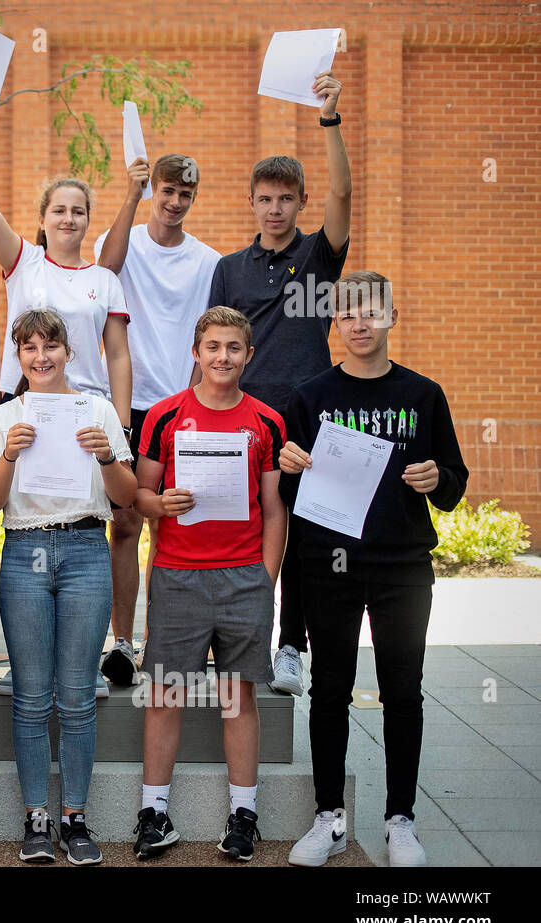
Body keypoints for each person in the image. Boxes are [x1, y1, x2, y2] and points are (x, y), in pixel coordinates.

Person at [279, 272, 468, 867]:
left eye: (371, 312)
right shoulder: (311, 396)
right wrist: (288, 463)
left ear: (391, 318)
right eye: (347, 313)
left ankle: (400, 819)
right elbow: (288, 492)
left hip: (402, 564)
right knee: (330, 691)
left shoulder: (423, 396)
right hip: (330, 563)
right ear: (334, 322)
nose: (359, 323)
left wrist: (438, 478)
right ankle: (328, 817)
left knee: (402, 692)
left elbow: (454, 488)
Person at [0, 104, 129, 697]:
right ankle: (22, 667)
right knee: (20, 516)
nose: (70, 218)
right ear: (45, 218)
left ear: (88, 220)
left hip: (86, 410)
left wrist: (119, 428)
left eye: (80, 210)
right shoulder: (24, 261)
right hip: (29, 405)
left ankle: (88, 660)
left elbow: (118, 355)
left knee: (87, 526)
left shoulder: (105, 279)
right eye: (59, 209)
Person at [207, 70, 351, 697]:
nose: (274, 208)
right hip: (241, 416)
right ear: (252, 202)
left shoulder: (319, 256)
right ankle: (232, 640)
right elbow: (210, 342)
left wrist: (329, 120)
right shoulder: (228, 267)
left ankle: (291, 645)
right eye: (264, 198)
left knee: (297, 530)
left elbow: (344, 199)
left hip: (308, 416)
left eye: (286, 199)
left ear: (298, 202)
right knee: (232, 524)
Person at [0, 310, 137, 865]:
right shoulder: (3, 416)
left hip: (87, 550)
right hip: (24, 550)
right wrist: (9, 455)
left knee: (76, 698)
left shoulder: (96, 411)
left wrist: (107, 456)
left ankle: (75, 816)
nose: (40, 357)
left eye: (50, 346)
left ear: (69, 352)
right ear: (17, 357)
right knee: (30, 698)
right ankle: (36, 819)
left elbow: (127, 496)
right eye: (28, 348)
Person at [131, 307, 287, 863]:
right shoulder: (163, 416)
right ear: (196, 352)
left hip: (244, 576)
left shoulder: (266, 421)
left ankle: (244, 815)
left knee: (237, 695)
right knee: (166, 692)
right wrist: (159, 503)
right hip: (178, 574)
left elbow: (273, 509)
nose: (223, 357)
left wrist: (264, 579)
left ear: (249, 354)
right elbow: (139, 496)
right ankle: (154, 813)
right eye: (213, 347)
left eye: (234, 348)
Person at [93, 154, 222, 686]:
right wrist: (131, 191)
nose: (174, 202)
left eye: (184, 194)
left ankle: (160, 641)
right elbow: (104, 268)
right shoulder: (124, 241)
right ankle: (121, 643)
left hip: (182, 407)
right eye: (166, 191)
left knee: (171, 524)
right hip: (128, 403)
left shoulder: (209, 261)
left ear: (194, 198)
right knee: (123, 523)